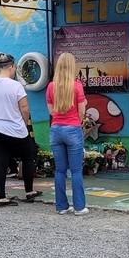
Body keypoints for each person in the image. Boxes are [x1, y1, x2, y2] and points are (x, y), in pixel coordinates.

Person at [0, 53, 41, 207]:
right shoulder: (16, 86)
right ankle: (29, 191)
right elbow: (24, 108)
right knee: (27, 157)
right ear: (11, 67)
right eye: (14, 67)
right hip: (14, 128)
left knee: (1, 162)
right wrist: (24, 124)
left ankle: (1, 197)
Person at [46, 52, 88, 215]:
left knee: (59, 170)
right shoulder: (77, 86)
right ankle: (79, 207)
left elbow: (51, 111)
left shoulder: (51, 86)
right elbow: (82, 112)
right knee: (76, 170)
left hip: (56, 129)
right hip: (72, 128)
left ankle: (61, 206)